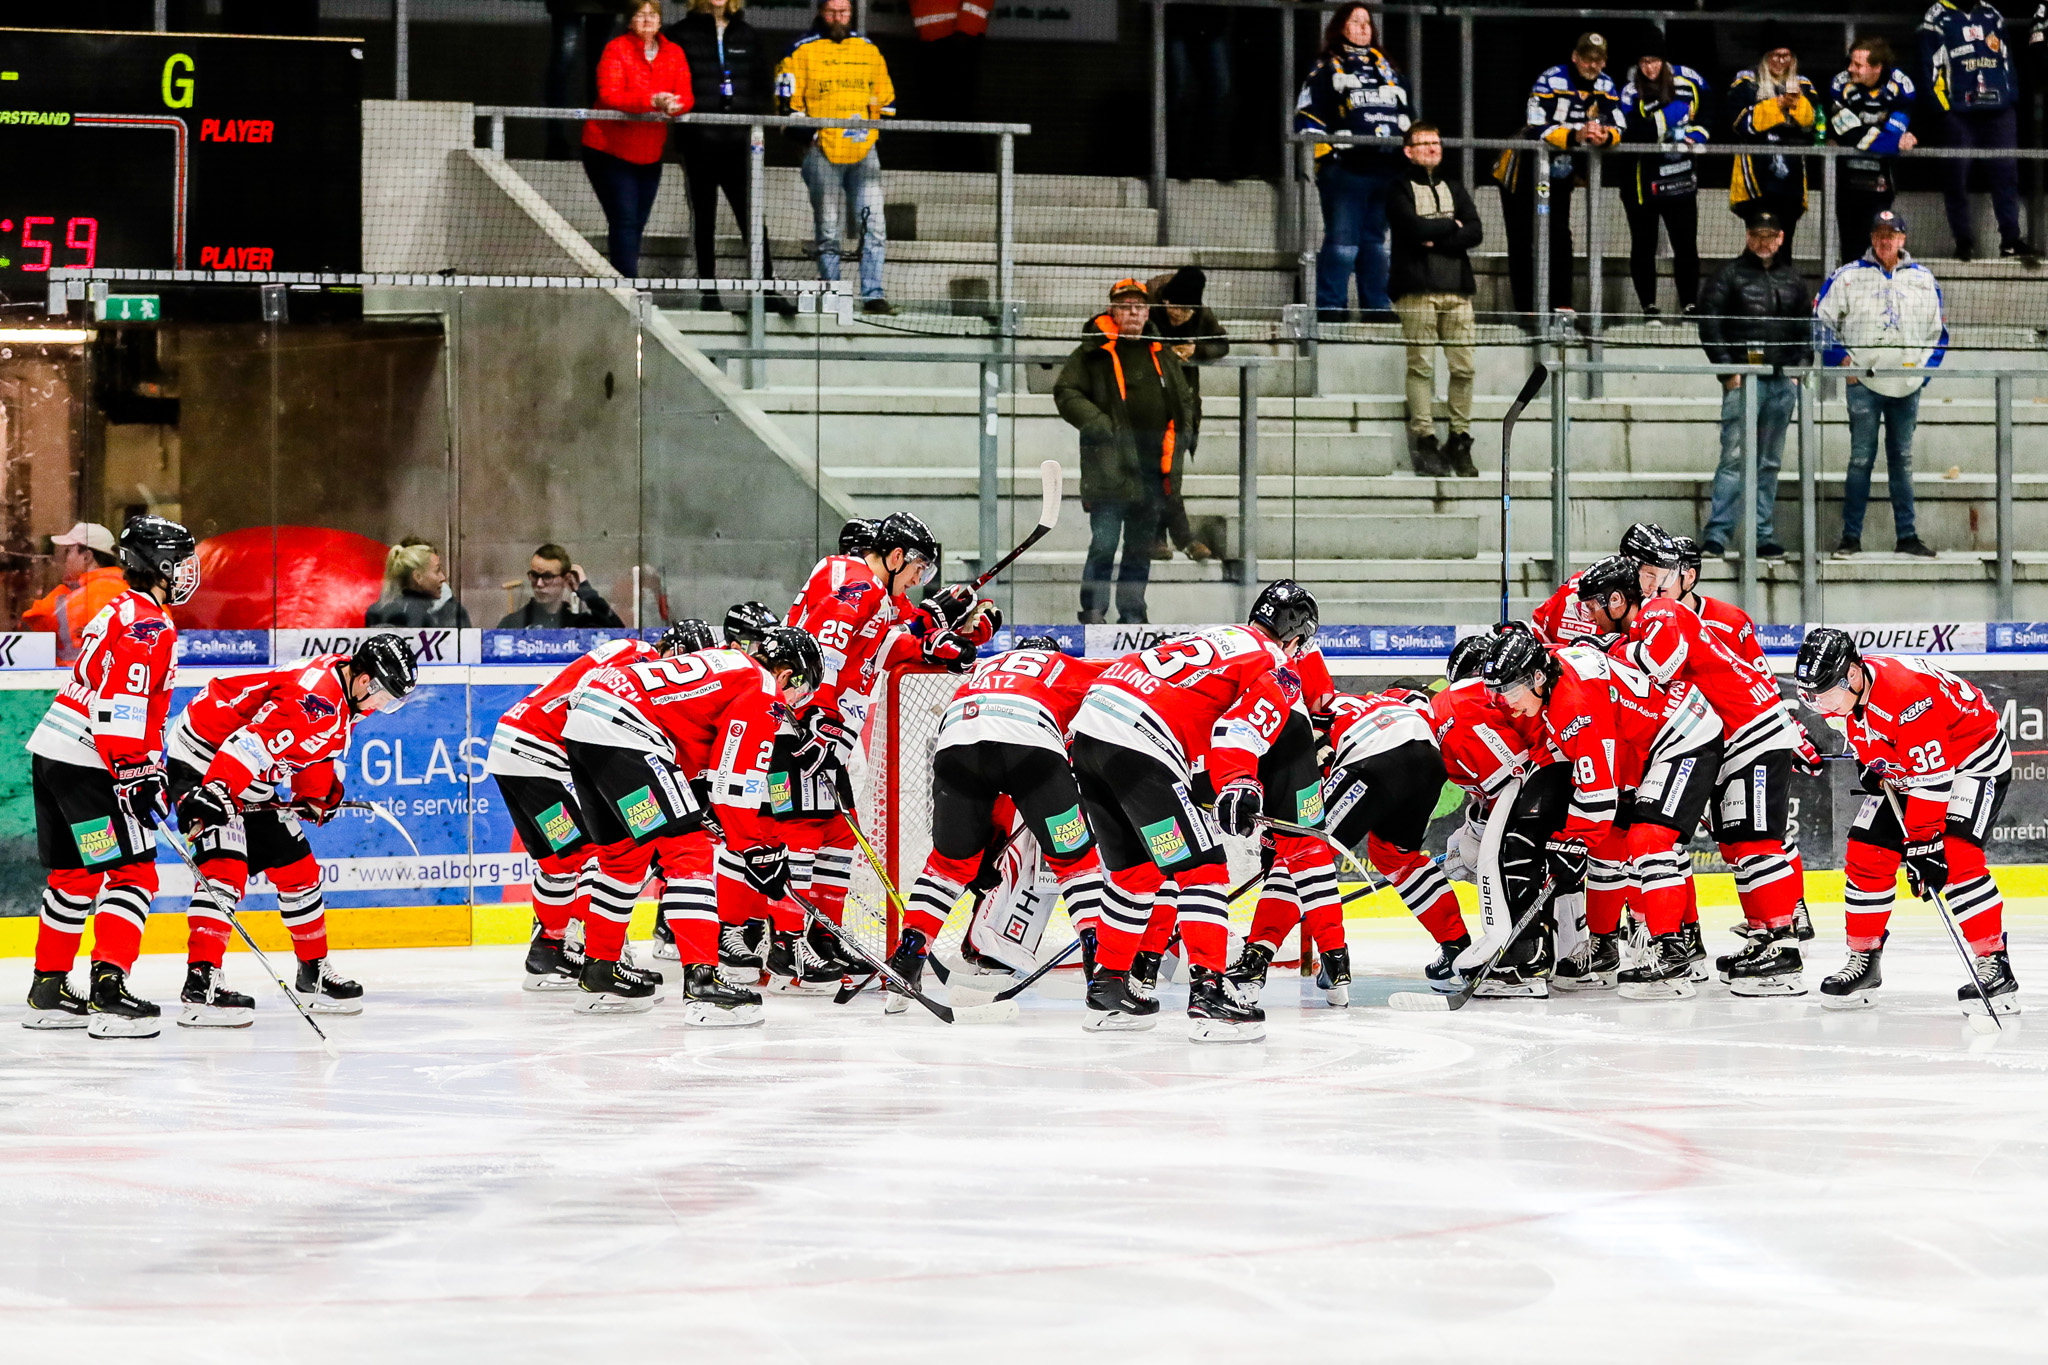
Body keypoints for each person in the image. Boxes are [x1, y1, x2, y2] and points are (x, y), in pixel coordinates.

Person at [1067, 581, 1319, 1040]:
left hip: (1089, 736)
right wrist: (1240, 782)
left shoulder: (1216, 638)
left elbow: (1188, 709)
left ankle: (1107, 991)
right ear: (1295, 634)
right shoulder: (1276, 662)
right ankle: (1209, 994)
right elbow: (1242, 728)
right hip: (1142, 742)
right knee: (1204, 867)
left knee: (1135, 875)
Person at [1575, 556, 1816, 996]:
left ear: (1615, 598)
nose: (1587, 616)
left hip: (1751, 729)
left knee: (1755, 842)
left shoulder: (1660, 612)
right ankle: (1766, 938)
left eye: (1593, 604)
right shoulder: (1642, 625)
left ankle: (1783, 945)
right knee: (1735, 845)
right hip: (1730, 736)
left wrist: (1608, 655)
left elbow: (1658, 669)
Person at [564, 625, 823, 1019]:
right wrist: (755, 849)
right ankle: (703, 982)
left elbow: (694, 760)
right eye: (801, 691)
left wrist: (714, 816)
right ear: (787, 673)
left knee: (623, 858)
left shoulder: (730, 669)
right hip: (627, 728)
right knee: (690, 851)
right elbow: (734, 786)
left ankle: (599, 970)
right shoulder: (763, 686)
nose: (792, 705)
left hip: (587, 721)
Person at [166, 635, 419, 1024]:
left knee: (298, 869)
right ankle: (201, 985)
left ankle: (313, 972)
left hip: (244, 770)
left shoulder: (346, 692)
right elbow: (246, 746)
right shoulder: (315, 699)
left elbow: (315, 748)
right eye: (386, 696)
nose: (385, 706)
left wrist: (317, 796)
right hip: (207, 759)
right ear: (366, 680)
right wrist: (215, 791)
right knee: (224, 870)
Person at [21, 515, 198, 1036]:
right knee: (135, 871)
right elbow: (121, 704)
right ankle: (108, 989)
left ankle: (49, 988)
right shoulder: (148, 622)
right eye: (182, 561)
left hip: (55, 753)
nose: (190, 572)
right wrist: (134, 772)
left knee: (75, 876)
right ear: (160, 565)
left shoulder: (121, 608)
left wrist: (142, 765)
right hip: (93, 762)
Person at [1481, 626, 1723, 1000]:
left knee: (1649, 840)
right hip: (1638, 744)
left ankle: (1673, 956)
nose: (1505, 702)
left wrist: (1571, 844)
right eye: (1497, 692)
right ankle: (1605, 948)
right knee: (1608, 844)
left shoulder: (1574, 705)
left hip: (1682, 733)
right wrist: (1577, 843)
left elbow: (1598, 793)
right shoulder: (1550, 674)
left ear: (1538, 678)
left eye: (1511, 691)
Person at [1794, 628, 2018, 1016]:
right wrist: (1872, 764)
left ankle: (1995, 965)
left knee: (1955, 855)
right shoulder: (1843, 698)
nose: (1819, 705)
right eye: (1810, 697)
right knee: (1866, 852)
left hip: (1971, 762)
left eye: (1824, 693)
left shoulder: (1905, 696)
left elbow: (1934, 777)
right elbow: (1872, 736)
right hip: (1914, 766)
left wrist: (1924, 845)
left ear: (1851, 674)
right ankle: (1864, 961)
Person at [889, 641, 1110, 1000]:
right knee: (1076, 864)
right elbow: (1119, 688)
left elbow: (995, 770)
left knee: (946, 867)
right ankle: (1103, 973)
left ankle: (906, 962)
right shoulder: (1064, 664)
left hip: (958, 737)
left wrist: (986, 839)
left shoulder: (988, 666)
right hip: (1029, 739)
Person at [487, 633, 674, 991]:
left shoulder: (627, 648)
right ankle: (600, 954)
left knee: (561, 861)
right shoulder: (642, 662)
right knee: (595, 854)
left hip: (514, 746)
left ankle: (549, 952)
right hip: (541, 753)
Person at [1054, 279, 1196, 625]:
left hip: (1152, 471)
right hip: (1109, 470)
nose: (1133, 312)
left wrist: (1181, 437)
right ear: (1113, 311)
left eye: (1139, 306)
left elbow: (1183, 400)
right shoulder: (1093, 351)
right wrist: (1100, 424)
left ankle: (1133, 612)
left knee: (1139, 549)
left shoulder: (1161, 351)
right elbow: (1066, 390)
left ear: (1148, 312)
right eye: (1125, 306)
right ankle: (1094, 611)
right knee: (1103, 544)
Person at [1815, 209, 1948, 558]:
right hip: (1864, 384)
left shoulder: (1924, 279)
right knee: (1860, 459)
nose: (1885, 240)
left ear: (1903, 239)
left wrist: (1923, 373)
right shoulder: (1846, 277)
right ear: (1872, 238)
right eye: (1880, 233)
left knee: (1902, 458)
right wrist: (1843, 362)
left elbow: (1939, 334)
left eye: (1893, 234)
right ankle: (1850, 538)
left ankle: (1907, 536)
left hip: (1907, 384)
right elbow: (1818, 323)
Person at [1695, 211, 1812, 561]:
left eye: (1769, 235)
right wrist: (1727, 371)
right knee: (1733, 459)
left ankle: (1762, 535)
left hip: (1781, 382)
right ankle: (1717, 536)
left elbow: (1806, 326)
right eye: (1757, 234)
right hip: (1743, 381)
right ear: (1747, 236)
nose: (1763, 242)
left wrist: (1798, 369)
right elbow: (1709, 322)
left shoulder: (1793, 280)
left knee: (1769, 462)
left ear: (1780, 238)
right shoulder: (1727, 276)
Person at [1294, 3, 1412, 321]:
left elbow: (1408, 117)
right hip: (1346, 170)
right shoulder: (1326, 68)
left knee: (1374, 243)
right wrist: (1325, 157)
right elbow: (1306, 116)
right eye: (1355, 22)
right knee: (1343, 241)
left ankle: (1377, 307)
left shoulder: (1389, 69)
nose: (1363, 28)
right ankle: (1330, 306)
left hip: (1387, 170)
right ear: (1340, 28)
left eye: (1367, 23)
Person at [668, 0, 788, 312]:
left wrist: (750, 121)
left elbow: (763, 85)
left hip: (738, 145)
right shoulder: (679, 34)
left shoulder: (747, 34)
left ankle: (768, 290)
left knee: (752, 220)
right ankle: (709, 294)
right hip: (698, 143)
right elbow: (673, 84)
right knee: (703, 221)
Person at [778, 0, 896, 314]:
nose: (838, 18)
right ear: (820, 12)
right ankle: (834, 295)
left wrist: (871, 132)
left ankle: (873, 295)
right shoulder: (800, 51)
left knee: (875, 225)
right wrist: (812, 137)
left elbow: (887, 100)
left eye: (844, 11)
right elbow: (786, 104)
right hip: (822, 153)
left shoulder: (868, 50)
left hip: (864, 152)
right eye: (832, 11)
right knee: (828, 229)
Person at [1494, 32, 1620, 319]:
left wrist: (1605, 135)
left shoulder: (1607, 85)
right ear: (1575, 57)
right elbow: (1535, 123)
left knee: (1560, 236)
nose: (1592, 64)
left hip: (1561, 170)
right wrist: (1576, 135)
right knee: (1523, 237)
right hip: (1520, 169)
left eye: (1598, 60)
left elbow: (1619, 122)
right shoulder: (1550, 79)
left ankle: (1562, 304)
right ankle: (1527, 309)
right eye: (1587, 58)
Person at [1387, 122, 1482, 477]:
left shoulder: (1454, 186)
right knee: (1421, 366)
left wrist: (1436, 235)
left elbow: (1475, 230)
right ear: (1408, 150)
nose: (1431, 148)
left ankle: (1459, 439)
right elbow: (1412, 229)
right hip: (1416, 289)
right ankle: (1425, 440)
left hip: (1457, 290)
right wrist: (1451, 227)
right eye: (1423, 143)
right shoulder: (1397, 187)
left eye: (1436, 142)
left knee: (1464, 368)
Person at [582, 0, 693, 278]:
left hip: (649, 153)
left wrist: (676, 104)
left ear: (660, 20)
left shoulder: (674, 52)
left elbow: (687, 94)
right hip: (608, 149)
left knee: (636, 223)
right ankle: (628, 288)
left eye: (652, 14)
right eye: (639, 14)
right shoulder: (616, 48)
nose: (647, 19)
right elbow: (610, 95)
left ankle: (621, 281)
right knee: (625, 220)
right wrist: (652, 100)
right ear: (629, 20)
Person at [1921, 0, 2037, 259]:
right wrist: (1945, 109)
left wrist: (2010, 97)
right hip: (1959, 113)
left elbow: (2007, 60)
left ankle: (2010, 240)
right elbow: (1928, 66)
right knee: (1955, 178)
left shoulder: (1991, 13)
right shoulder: (1936, 16)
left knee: (2007, 175)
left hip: (1999, 111)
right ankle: (1963, 241)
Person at [1615, 47, 1708, 319]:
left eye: (1654, 60)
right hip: (1640, 185)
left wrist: (1697, 133)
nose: (1649, 67)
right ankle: (1649, 309)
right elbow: (1632, 130)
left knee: (1686, 244)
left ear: (1664, 60)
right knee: (1643, 244)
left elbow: (1708, 110)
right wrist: (1667, 117)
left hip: (1679, 181)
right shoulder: (1630, 91)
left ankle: (1690, 305)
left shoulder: (1689, 80)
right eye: (1643, 61)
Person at [1146, 266, 1224, 561]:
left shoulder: (1203, 315)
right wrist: (1167, 353)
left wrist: (1197, 350)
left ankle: (1168, 538)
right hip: (1149, 403)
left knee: (1170, 474)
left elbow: (1222, 344)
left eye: (1185, 310)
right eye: (1173, 306)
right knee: (1158, 473)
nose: (1176, 314)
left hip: (1182, 406)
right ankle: (1177, 538)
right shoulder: (1151, 306)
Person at [1828, 37, 1919, 269]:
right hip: (1846, 180)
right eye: (1851, 63)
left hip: (1881, 182)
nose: (1850, 69)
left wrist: (1888, 138)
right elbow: (1852, 134)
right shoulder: (1840, 85)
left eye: (1858, 65)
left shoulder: (1900, 87)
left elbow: (1881, 136)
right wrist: (1891, 140)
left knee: (1880, 246)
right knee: (1850, 249)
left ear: (1877, 67)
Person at [1728, 32, 1819, 261]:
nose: (1781, 61)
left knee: (1783, 250)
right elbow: (1741, 123)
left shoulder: (1804, 84)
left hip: (1791, 181)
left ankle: (1783, 296)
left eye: (1786, 56)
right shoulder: (1746, 82)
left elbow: (1812, 125)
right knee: (1759, 247)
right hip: (1755, 180)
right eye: (1775, 56)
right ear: (1765, 57)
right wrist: (1777, 105)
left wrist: (1796, 102)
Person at [21, 522, 127, 665]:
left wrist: (66, 587)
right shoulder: (135, 593)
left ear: (87, 557)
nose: (65, 559)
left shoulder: (68, 599)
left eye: (69, 551)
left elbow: (30, 623)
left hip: (72, 681)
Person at [1165, 5, 1235, 181]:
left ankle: (1203, 158)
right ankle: (1174, 159)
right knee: (1178, 89)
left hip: (1210, 22)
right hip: (1176, 20)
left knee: (1219, 87)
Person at [497, 543, 625, 629]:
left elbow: (620, 635)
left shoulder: (578, 624)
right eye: (535, 575)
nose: (539, 584)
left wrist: (587, 592)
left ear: (565, 579)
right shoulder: (514, 624)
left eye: (548, 577)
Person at [365, 538, 471, 629]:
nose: (443, 578)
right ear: (418, 577)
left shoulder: (376, 612)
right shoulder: (436, 616)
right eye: (437, 570)